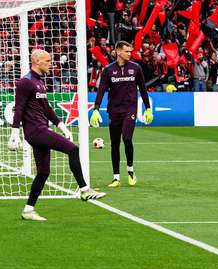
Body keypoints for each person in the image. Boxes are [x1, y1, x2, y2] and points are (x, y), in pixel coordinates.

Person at [9, 48, 102, 221]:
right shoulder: (25, 82)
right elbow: (19, 108)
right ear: (37, 61)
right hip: (36, 131)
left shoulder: (40, 82)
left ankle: (28, 210)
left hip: (40, 129)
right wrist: (14, 132)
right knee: (73, 149)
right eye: (48, 61)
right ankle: (84, 190)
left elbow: (47, 109)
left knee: (43, 172)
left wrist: (62, 126)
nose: (51, 64)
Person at [91, 41, 152, 188]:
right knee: (114, 144)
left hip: (130, 109)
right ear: (118, 52)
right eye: (127, 51)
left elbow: (143, 89)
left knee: (127, 138)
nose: (130, 54)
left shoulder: (136, 68)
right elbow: (101, 91)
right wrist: (96, 109)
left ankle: (130, 170)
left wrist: (148, 108)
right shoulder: (108, 70)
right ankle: (116, 177)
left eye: (130, 51)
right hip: (114, 110)